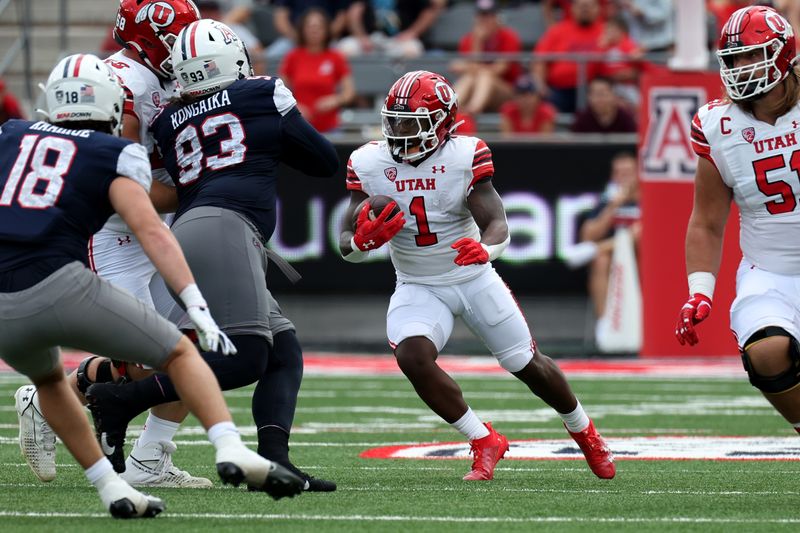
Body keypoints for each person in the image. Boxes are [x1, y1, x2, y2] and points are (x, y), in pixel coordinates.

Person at [1, 53, 304, 517]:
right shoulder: (111, 150)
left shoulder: (12, 134)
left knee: (52, 378)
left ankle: (126, 477)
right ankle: (229, 447)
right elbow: (150, 227)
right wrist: (195, 294)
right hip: (62, 278)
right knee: (183, 351)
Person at [86, 19, 340, 492]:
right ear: (233, 58)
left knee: (283, 350)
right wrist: (274, 138)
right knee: (247, 358)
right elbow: (324, 161)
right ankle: (121, 400)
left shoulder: (166, 119)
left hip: (191, 228)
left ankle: (275, 463)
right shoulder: (263, 93)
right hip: (227, 226)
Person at [338, 70, 615, 481]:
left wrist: (484, 249)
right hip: (418, 283)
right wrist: (360, 246)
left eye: (411, 123)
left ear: (443, 123)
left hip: (472, 276)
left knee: (527, 363)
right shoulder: (368, 162)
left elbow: (497, 221)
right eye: (394, 121)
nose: (398, 132)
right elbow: (345, 240)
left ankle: (584, 430)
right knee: (411, 356)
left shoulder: (463, 155)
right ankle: (483, 438)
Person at [15, 0, 211, 489]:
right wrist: (206, 184)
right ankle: (48, 396)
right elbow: (121, 178)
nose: (184, 47)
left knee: (196, 341)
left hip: (157, 223)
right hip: (115, 228)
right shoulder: (118, 80)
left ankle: (152, 458)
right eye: (175, 37)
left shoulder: (169, 75)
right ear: (147, 39)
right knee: (148, 357)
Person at [677, 6, 800, 436]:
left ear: (783, 54)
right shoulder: (718, 125)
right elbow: (707, 221)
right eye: (734, 59)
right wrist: (699, 291)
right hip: (770, 272)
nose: (742, 67)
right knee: (766, 351)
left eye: (752, 55)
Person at [578, 152, 640, 319]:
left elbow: (641, 234)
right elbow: (587, 236)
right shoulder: (607, 202)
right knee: (600, 260)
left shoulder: (648, 199)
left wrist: (598, 248)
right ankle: (605, 325)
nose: (624, 177)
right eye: (619, 173)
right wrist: (614, 206)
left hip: (641, 255)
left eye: (628, 173)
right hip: (613, 257)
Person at [280, 7, 356, 133]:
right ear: (303, 30)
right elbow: (280, 91)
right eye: (310, 26)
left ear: (326, 30)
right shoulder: (293, 56)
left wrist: (335, 100)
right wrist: (295, 105)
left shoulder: (336, 57)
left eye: (318, 26)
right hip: (299, 126)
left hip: (330, 127)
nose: (314, 30)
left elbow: (349, 92)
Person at [450, 0, 522, 116]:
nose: (484, 20)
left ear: (497, 17)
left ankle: (472, 111)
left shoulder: (509, 37)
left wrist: (468, 67)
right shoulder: (469, 39)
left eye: (489, 15)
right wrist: (477, 42)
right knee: (470, 77)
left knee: (484, 74)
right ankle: (450, 108)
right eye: (481, 15)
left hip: (506, 92)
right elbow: (456, 66)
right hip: (476, 88)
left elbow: (499, 69)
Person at [532, 0, 605, 113]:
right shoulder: (557, 31)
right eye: (581, 6)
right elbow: (539, 61)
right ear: (572, 9)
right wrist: (541, 86)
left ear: (598, 9)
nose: (585, 9)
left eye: (589, 6)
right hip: (560, 89)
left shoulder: (607, 32)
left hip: (594, 89)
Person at [571, 76, 637, 133]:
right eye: (595, 94)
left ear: (614, 96)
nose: (599, 99)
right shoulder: (582, 118)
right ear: (589, 97)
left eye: (603, 94)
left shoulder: (625, 118)